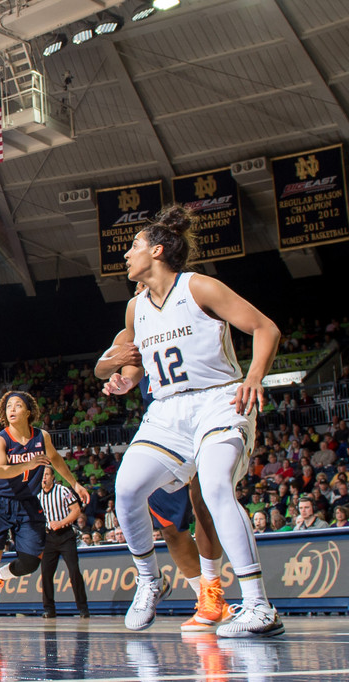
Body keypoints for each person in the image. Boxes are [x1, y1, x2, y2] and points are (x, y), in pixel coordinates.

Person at [102, 204, 283, 637]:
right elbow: (131, 365)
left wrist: (255, 376)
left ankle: (258, 606)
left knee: (216, 486)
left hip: (218, 400)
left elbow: (265, 328)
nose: (126, 255)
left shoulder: (199, 286)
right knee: (125, 490)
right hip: (166, 411)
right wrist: (124, 381)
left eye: (134, 247)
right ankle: (149, 580)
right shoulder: (135, 309)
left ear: (158, 251)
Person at [96, 319, 233, 633]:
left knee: (205, 507)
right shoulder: (134, 322)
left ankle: (215, 594)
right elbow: (105, 369)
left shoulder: (189, 307)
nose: (140, 288)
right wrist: (122, 375)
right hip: (162, 426)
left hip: (203, 413)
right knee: (171, 527)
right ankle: (201, 596)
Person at [0, 391, 89, 626]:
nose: (12, 409)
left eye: (17, 405)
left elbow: (56, 459)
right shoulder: (1, 439)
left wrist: (75, 483)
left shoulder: (41, 437)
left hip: (27, 502)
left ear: (28, 412)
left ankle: (0, 577)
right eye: (8, 407)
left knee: (31, 563)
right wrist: (30, 463)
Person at [37, 468, 89, 619]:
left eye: (46, 474)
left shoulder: (62, 490)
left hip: (65, 535)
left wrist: (61, 522)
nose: (44, 477)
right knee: (46, 574)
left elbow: (76, 510)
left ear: (53, 477)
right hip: (48, 538)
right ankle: (49, 609)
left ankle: (83, 608)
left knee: (74, 572)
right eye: (42, 475)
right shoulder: (38, 495)